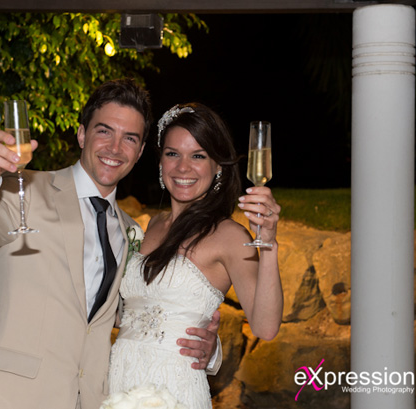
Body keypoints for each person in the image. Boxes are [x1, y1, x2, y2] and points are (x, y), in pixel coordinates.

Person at [0, 80, 220, 409]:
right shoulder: (20, 191)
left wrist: (208, 347)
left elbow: (136, 314)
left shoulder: (132, 231)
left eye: (130, 139)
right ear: (82, 134)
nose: (115, 148)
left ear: (138, 153)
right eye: (104, 131)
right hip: (8, 397)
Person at [106, 103, 283, 409]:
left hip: (174, 390)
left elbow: (266, 326)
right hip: (119, 382)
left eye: (198, 155)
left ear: (218, 167)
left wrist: (267, 243)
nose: (182, 167)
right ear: (160, 161)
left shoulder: (227, 236)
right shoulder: (144, 228)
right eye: (173, 153)